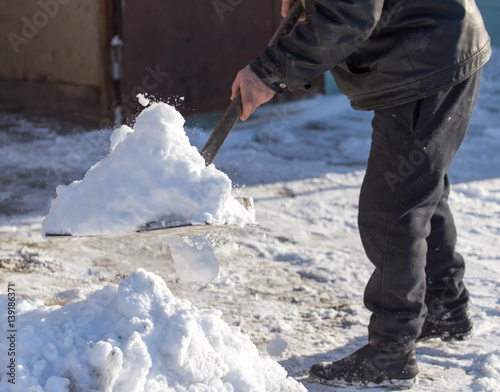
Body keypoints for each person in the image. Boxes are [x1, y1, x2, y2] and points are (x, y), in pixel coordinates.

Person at [231, 0, 491, 387]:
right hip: (440, 46)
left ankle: (391, 355)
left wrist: (269, 72)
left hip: (427, 59)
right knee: (419, 193)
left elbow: (348, 17)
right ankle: (443, 304)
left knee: (391, 210)